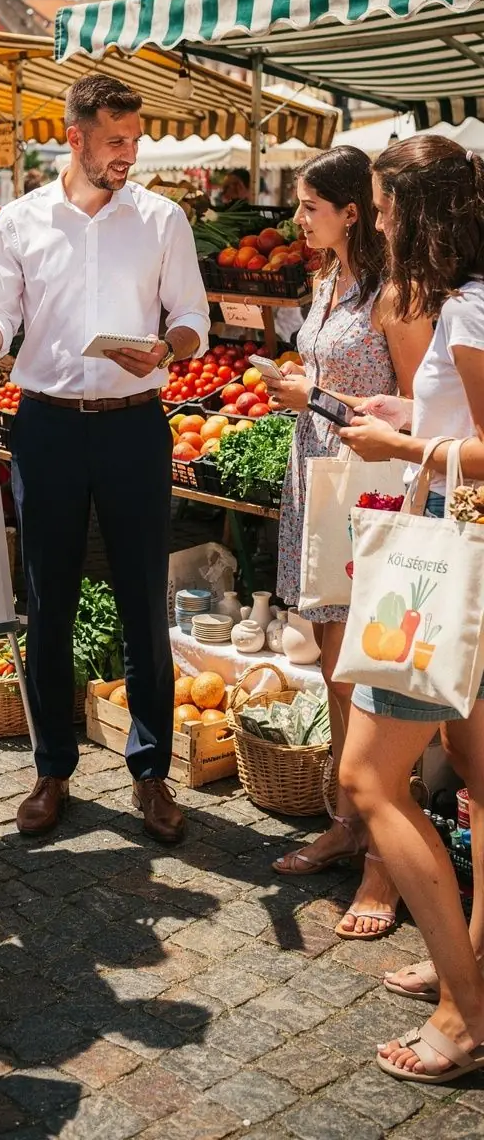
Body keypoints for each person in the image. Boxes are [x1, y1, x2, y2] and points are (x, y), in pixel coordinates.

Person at [0, 74, 210, 843]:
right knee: (47, 602)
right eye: (115, 140)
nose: (129, 154)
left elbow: (192, 317)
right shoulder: (19, 220)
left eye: (135, 140)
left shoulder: (162, 218)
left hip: (134, 425)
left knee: (144, 600)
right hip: (46, 426)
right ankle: (51, 769)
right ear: (74, 137)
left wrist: (168, 347)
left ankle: (151, 772)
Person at [337, 136, 484, 1082]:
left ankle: (466, 1014)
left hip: (450, 563)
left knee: (369, 779)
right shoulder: (473, 301)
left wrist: (405, 453)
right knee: (475, 774)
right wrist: (412, 419)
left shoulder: (466, 308)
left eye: (386, 208)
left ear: (417, 214)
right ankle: (466, 968)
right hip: (472, 560)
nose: (380, 223)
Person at [265, 148, 431, 938]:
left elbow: (417, 408)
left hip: (371, 493)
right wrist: (301, 397)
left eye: (309, 207)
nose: (298, 220)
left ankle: (384, 867)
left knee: (373, 671)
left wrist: (318, 396)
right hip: (319, 483)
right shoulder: (328, 281)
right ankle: (348, 820)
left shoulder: (395, 293)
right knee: (335, 666)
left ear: (353, 211)